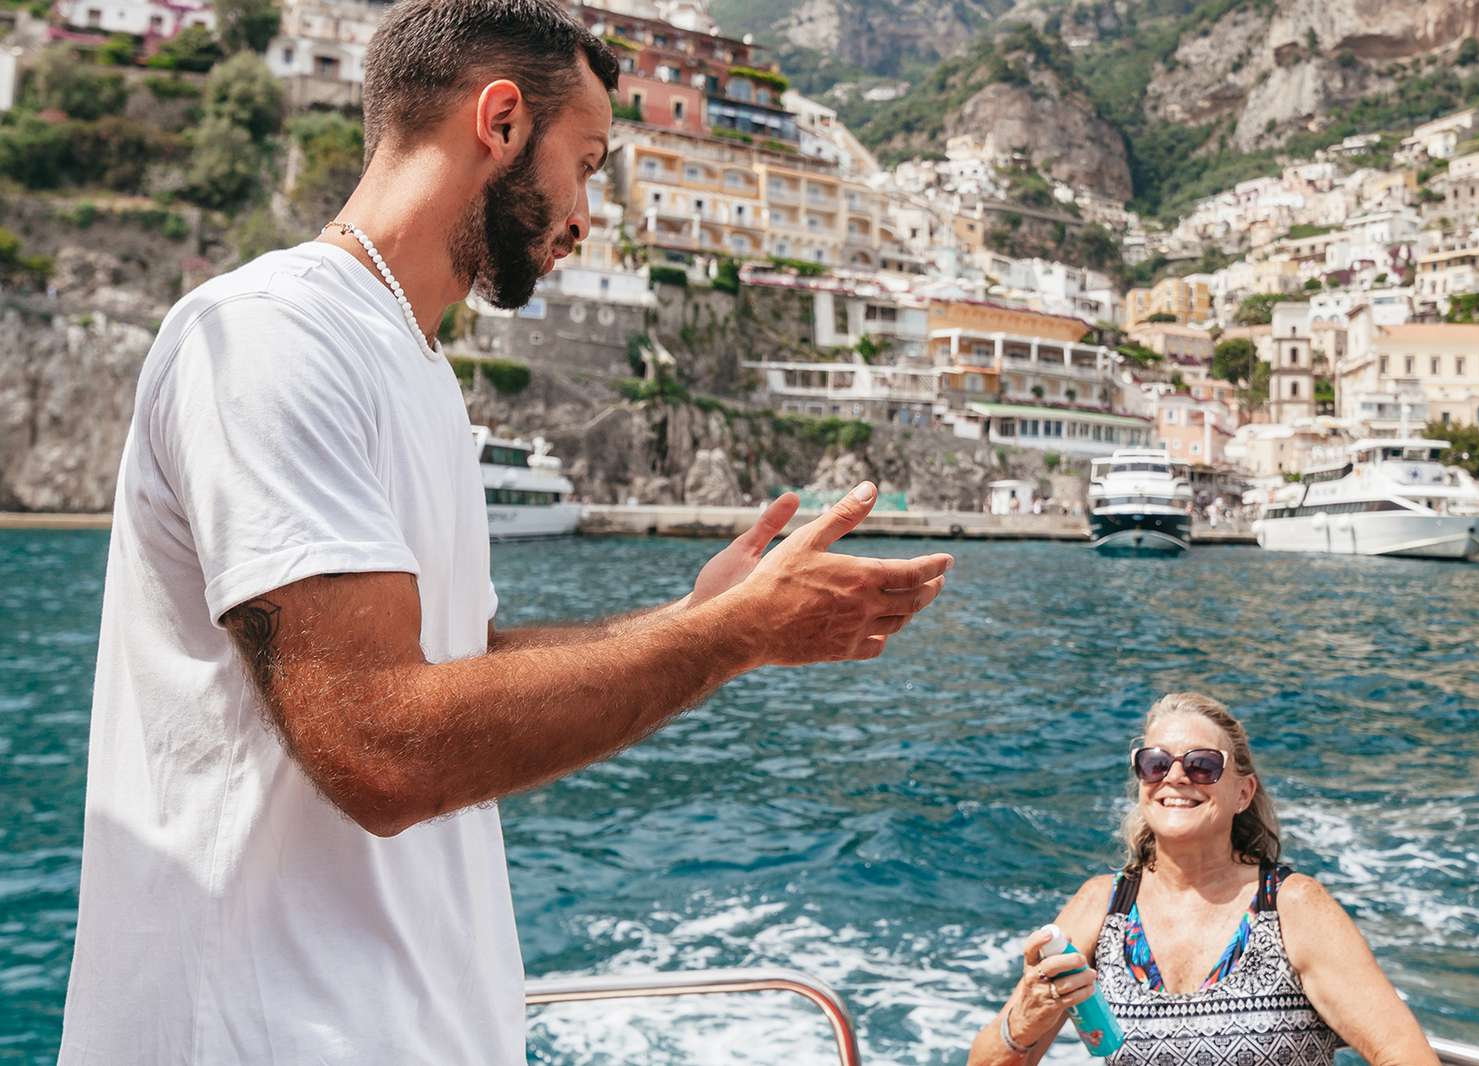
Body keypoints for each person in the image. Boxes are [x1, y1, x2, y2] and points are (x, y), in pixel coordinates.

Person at [57, 1, 952, 1062]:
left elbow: (459, 664)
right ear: (501, 122)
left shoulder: (417, 370)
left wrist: (696, 616)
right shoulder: (269, 336)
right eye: (586, 164)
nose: (586, 215)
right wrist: (729, 638)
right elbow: (378, 745)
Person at [969, 693, 1438, 1065]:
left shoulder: (1291, 907)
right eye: (1156, 763)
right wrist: (1025, 1021)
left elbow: (1405, 1054)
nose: (1176, 777)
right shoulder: (1102, 906)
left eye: (1202, 765)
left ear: (1242, 793)